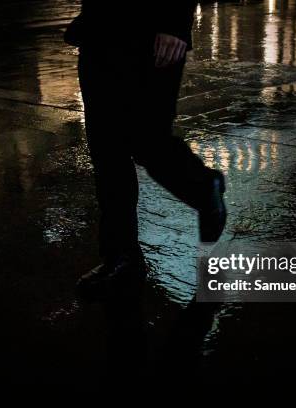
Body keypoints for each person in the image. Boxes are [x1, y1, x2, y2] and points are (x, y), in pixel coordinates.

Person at [65, 1, 226, 297]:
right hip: (99, 32)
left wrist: (175, 22)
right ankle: (120, 256)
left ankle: (204, 188)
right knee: (106, 149)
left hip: (152, 32)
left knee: (147, 141)